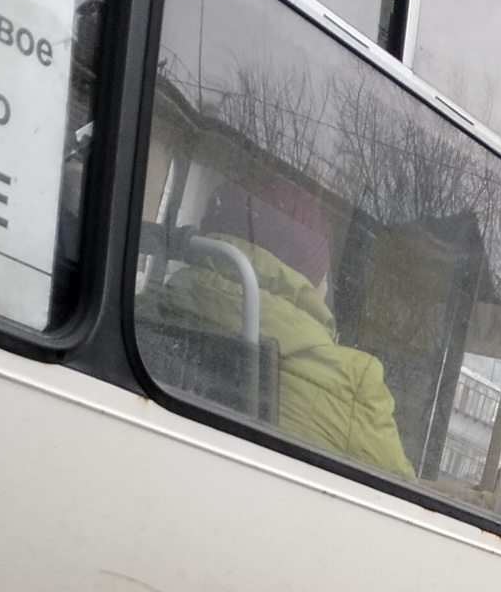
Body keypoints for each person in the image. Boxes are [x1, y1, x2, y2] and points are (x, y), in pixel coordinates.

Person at [158, 177, 413, 478]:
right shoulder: (354, 387)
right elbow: (405, 503)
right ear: (310, 279)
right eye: (324, 270)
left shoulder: (145, 310)